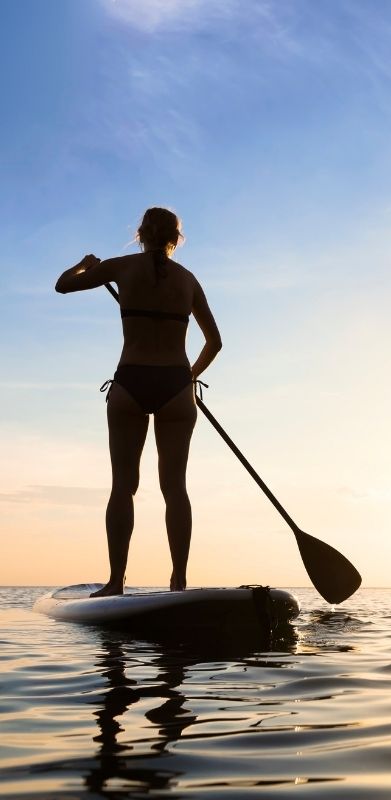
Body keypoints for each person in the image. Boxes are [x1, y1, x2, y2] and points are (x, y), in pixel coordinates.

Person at [55, 208, 222, 596]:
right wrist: (188, 378)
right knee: (175, 489)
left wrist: (84, 265)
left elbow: (63, 285)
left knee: (123, 487)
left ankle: (116, 582)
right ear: (175, 239)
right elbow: (215, 342)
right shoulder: (188, 280)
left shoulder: (121, 267)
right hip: (176, 387)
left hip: (131, 383)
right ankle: (179, 581)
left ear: (140, 234)